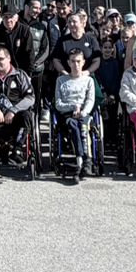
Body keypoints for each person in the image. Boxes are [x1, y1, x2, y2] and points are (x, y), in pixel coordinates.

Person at [0, 49, 36, 162]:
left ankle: (17, 150)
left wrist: (14, 110)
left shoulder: (20, 75)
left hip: (15, 115)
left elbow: (30, 98)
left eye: (0, 59)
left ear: (9, 59)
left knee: (27, 115)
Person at [53, 48, 98, 177]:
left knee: (83, 126)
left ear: (83, 62)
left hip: (84, 113)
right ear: (68, 62)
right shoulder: (61, 80)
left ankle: (87, 160)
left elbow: (90, 100)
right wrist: (73, 107)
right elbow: (58, 104)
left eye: (78, 61)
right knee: (73, 124)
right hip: (68, 114)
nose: (76, 64)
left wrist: (83, 112)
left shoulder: (89, 80)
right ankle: (80, 159)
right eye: (73, 61)